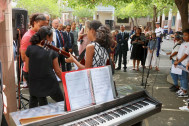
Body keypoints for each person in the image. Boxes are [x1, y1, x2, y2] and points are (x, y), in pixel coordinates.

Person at [25, 26, 64, 108]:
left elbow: (28, 68)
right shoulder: (52, 50)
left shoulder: (30, 48)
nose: (52, 39)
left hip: (35, 82)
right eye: (52, 37)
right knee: (62, 102)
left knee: (37, 106)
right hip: (50, 82)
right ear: (47, 37)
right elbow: (57, 71)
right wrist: (66, 80)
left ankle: (34, 120)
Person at [21, 13, 46, 88]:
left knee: (35, 96)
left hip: (38, 69)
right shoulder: (27, 37)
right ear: (34, 23)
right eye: (41, 26)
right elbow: (23, 57)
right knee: (40, 94)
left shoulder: (39, 34)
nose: (42, 28)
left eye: (44, 26)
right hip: (32, 71)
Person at [174, 29, 189, 97]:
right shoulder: (183, 43)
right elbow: (179, 52)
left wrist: (178, 61)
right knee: (180, 76)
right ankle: (182, 88)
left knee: (184, 77)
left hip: (184, 63)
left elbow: (186, 55)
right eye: (183, 35)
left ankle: (185, 91)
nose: (184, 37)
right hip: (179, 62)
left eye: (186, 35)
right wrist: (176, 59)